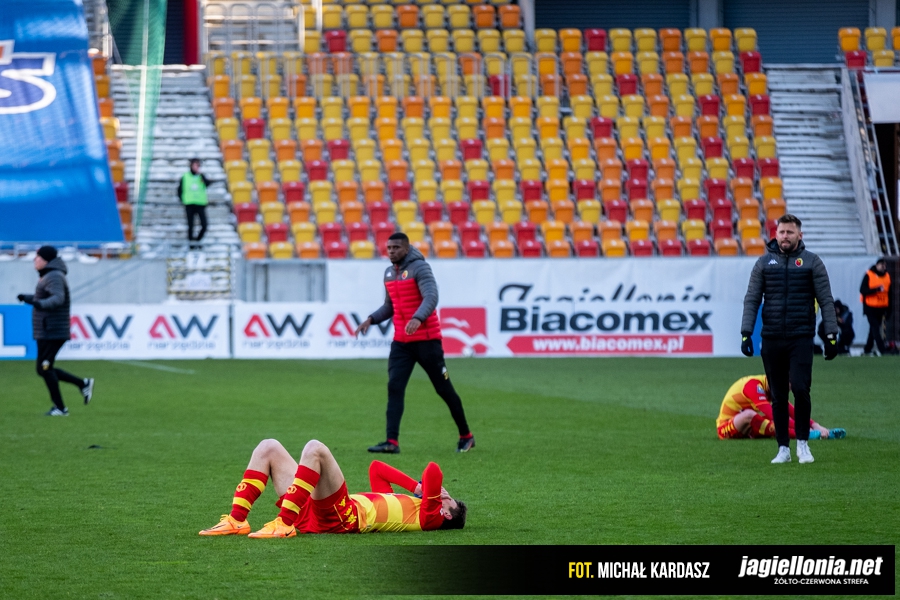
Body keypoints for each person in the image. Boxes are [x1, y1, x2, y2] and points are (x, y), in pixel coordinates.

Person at [199, 438, 467, 538]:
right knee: (268, 447)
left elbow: (433, 470)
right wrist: (416, 487)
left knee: (315, 449)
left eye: (448, 500)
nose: (444, 495)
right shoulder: (408, 505)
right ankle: (237, 520)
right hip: (315, 512)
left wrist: (425, 489)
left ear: (445, 513)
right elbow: (376, 468)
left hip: (344, 517)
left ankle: (284, 523)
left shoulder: (430, 517)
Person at [354, 232, 475, 454]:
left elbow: (431, 296)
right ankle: (392, 442)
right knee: (395, 387)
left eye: (396, 248)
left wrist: (418, 318)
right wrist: (371, 319)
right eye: (389, 248)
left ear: (407, 249)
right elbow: (389, 306)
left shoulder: (420, 268)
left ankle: (466, 436)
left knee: (443, 389)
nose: (391, 251)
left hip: (427, 342)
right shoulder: (389, 273)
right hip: (402, 343)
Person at [741, 214, 838, 465]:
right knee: (779, 395)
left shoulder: (812, 262)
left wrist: (831, 335)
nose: (785, 236)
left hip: (801, 337)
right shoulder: (763, 263)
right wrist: (746, 332)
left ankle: (803, 444)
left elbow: (826, 300)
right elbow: (752, 299)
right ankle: (783, 448)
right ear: (776, 234)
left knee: (801, 389)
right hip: (771, 338)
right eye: (782, 232)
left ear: (799, 235)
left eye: (790, 232)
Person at [16, 246, 94, 416]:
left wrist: (38, 303)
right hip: (47, 330)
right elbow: (45, 298)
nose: (34, 260)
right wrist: (29, 298)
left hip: (52, 330)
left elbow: (58, 298)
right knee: (44, 369)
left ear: (46, 260)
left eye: (37, 257)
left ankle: (61, 408)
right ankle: (82, 384)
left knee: (45, 369)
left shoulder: (54, 276)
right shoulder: (49, 275)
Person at [716, 375, 846, 441]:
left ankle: (821, 433)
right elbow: (773, 414)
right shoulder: (753, 386)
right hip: (726, 429)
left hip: (748, 430)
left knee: (769, 418)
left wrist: (815, 425)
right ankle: (804, 435)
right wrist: (802, 428)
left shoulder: (771, 385)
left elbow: (790, 410)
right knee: (750, 415)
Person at [860, 257, 891, 356]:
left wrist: (889, 310)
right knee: (876, 329)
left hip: (881, 308)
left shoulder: (887, 276)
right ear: (877, 265)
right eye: (882, 265)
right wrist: (875, 290)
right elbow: (862, 289)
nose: (884, 267)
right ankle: (882, 350)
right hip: (870, 307)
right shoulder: (869, 275)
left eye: (885, 265)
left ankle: (867, 349)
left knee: (872, 330)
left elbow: (889, 294)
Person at [177, 158, 211, 249]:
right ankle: (191, 245)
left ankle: (197, 241)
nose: (197, 167)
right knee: (191, 225)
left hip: (200, 204)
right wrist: (182, 200)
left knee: (204, 225)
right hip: (189, 204)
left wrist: (201, 175)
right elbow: (179, 190)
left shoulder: (201, 176)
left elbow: (208, 184)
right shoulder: (185, 176)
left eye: (198, 165)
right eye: (195, 165)